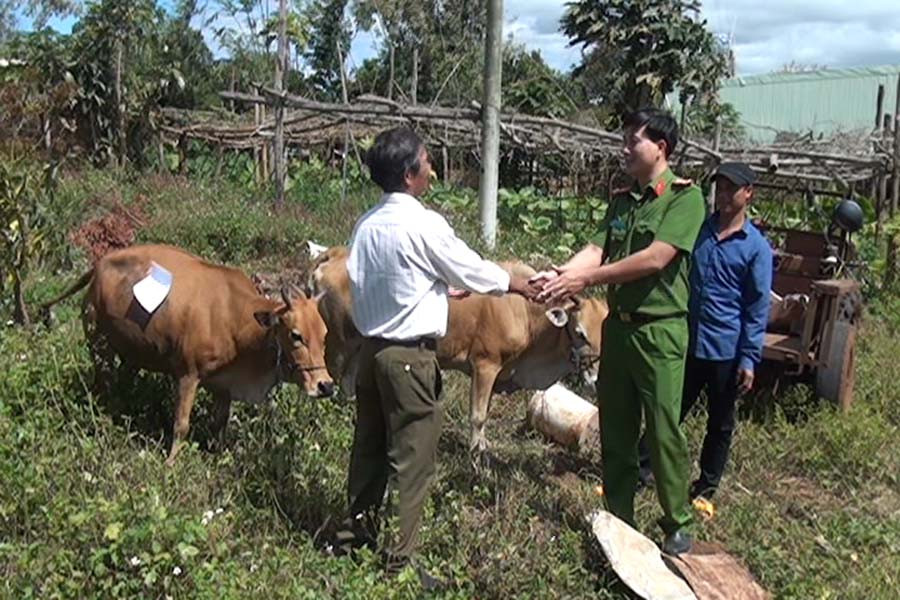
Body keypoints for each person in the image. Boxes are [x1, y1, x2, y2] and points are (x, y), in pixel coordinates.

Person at [332, 127, 538, 587]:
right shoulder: (423, 223)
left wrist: (438, 289)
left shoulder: (366, 225)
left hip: (372, 355)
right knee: (412, 460)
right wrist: (516, 283)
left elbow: (382, 281)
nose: (433, 169)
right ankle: (398, 564)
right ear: (410, 174)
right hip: (410, 360)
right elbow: (468, 264)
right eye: (427, 161)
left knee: (367, 450)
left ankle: (353, 542)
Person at [533, 108, 704, 555]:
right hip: (620, 332)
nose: (624, 148)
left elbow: (655, 258)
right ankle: (619, 517)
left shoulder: (685, 199)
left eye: (634, 140)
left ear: (661, 148)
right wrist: (557, 276)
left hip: (661, 333)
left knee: (664, 428)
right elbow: (596, 249)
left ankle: (677, 522)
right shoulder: (623, 200)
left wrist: (585, 280)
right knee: (617, 427)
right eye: (624, 139)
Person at [637, 162, 773, 500]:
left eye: (732, 189)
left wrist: (748, 358)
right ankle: (641, 469)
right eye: (720, 188)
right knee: (667, 410)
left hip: (725, 348)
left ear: (748, 193)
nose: (724, 195)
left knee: (720, 422)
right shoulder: (698, 230)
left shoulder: (756, 248)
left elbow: (757, 308)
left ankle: (706, 487)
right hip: (686, 340)